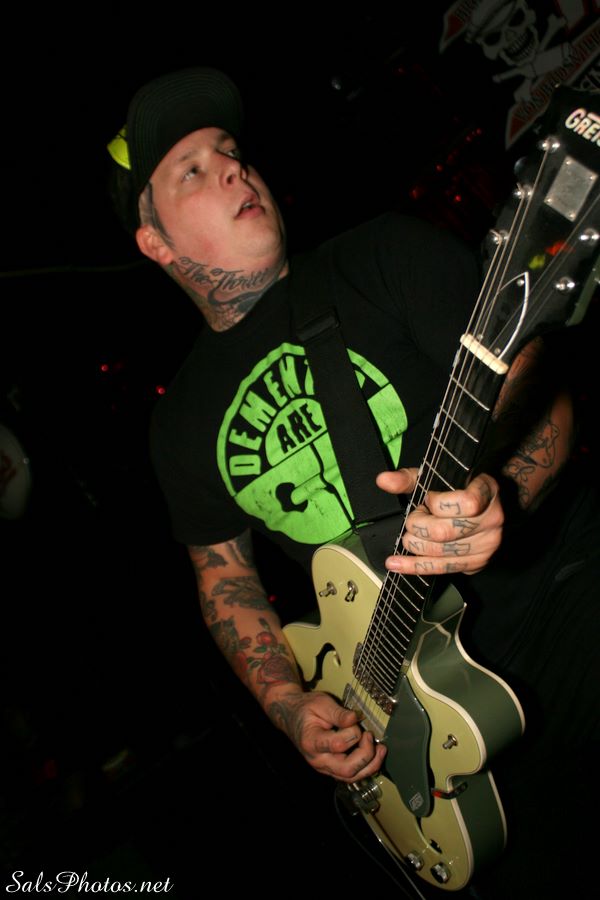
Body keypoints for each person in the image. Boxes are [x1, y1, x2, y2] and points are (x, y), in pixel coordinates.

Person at [106, 66, 598, 897]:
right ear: (154, 241)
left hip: (561, 608)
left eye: (231, 151)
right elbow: (224, 578)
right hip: (420, 740)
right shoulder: (179, 422)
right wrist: (289, 704)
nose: (233, 169)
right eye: (192, 169)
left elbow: (534, 385)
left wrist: (502, 492)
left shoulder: (380, 253)